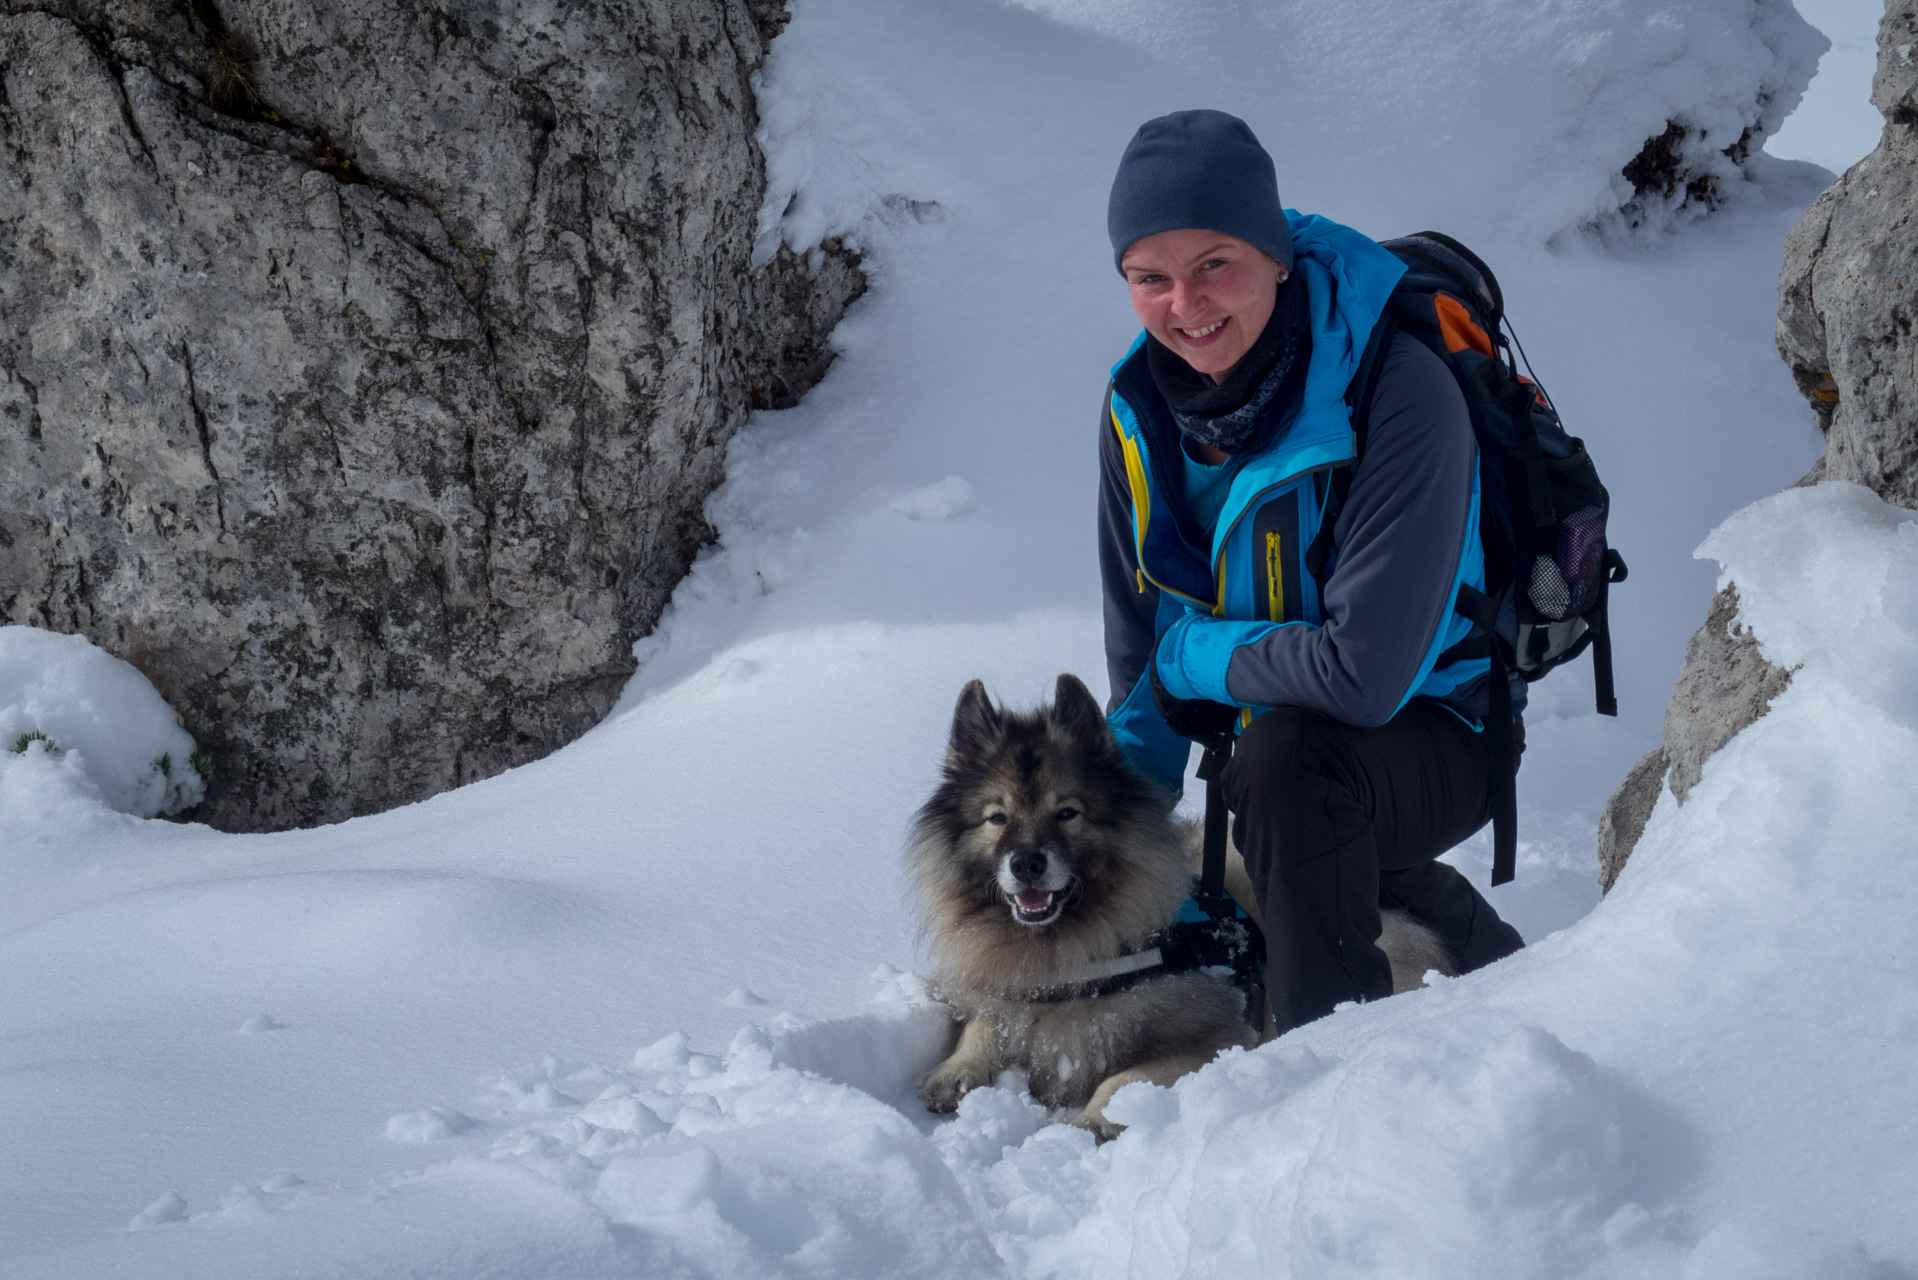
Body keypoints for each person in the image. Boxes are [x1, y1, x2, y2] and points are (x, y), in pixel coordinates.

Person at [1097, 109, 1524, 1035]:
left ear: (1277, 252)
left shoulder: (1399, 391)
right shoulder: (1138, 407)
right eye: (1150, 277)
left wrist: (1190, 663)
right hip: (1269, 738)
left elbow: (1361, 677)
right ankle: (1490, 961)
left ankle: (1324, 1069)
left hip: (1437, 733)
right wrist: (1112, 827)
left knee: (1292, 772)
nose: (1186, 304)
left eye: (1216, 262)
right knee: (1282, 788)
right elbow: (1142, 650)